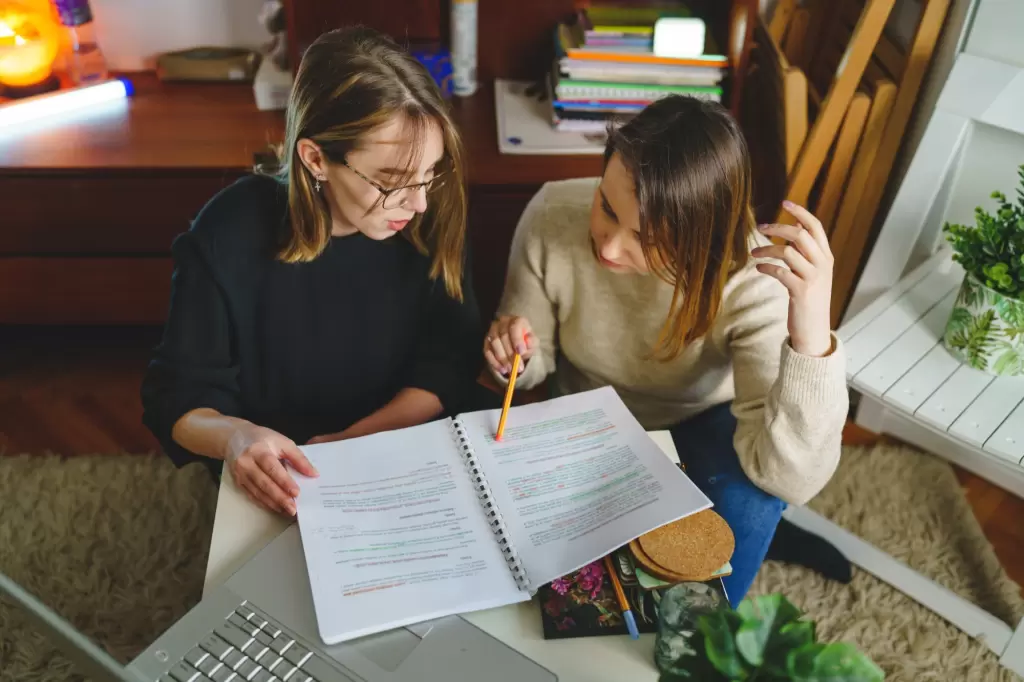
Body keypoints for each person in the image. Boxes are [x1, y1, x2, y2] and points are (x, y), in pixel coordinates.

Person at [483, 96, 849, 605]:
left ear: (703, 240)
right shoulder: (553, 214)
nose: (608, 247)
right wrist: (513, 358)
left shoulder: (753, 279)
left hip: (700, 424)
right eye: (606, 207)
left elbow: (788, 479)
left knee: (750, 506)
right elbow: (532, 361)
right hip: (584, 414)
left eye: (645, 237)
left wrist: (811, 340)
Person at [141, 26, 483, 518]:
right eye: (391, 182)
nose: (419, 202)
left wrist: (351, 442)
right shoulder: (228, 232)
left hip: (404, 445)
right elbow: (177, 396)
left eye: (431, 172)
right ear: (316, 158)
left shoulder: (429, 212)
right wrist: (236, 438)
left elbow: (447, 364)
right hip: (280, 473)